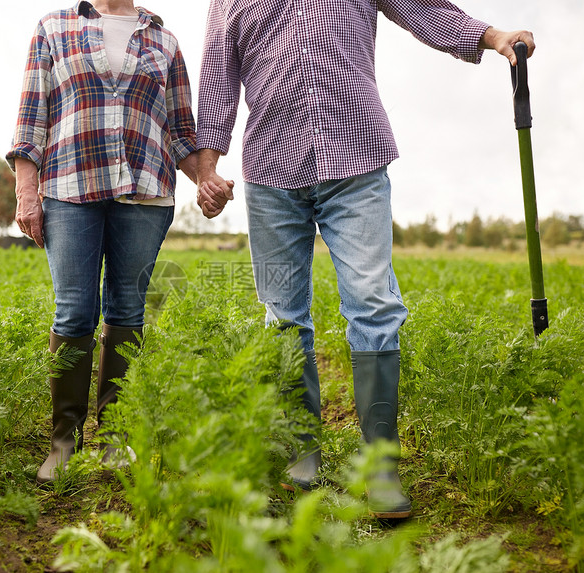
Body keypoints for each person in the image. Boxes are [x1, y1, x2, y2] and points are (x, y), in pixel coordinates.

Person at [195, 1, 535, 518]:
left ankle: (380, 467)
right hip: (270, 173)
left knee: (374, 304)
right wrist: (206, 168)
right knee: (283, 316)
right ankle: (300, 456)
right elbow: (218, 75)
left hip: (356, 164)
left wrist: (492, 37)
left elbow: (423, 9)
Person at [7, 0, 229, 484]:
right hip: (69, 187)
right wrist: (27, 193)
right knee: (72, 310)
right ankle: (64, 440)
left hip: (145, 191)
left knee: (127, 310)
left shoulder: (164, 41)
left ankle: (114, 439)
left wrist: (205, 179)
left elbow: (179, 132)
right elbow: (31, 120)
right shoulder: (53, 27)